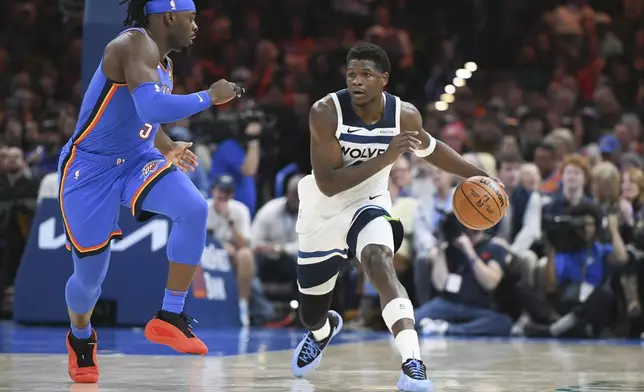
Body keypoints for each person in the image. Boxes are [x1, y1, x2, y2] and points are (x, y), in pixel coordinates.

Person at [292, 43, 498, 392]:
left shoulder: (404, 115)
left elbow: (431, 149)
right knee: (310, 313)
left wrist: (479, 176)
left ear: (384, 80)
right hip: (321, 210)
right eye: (352, 74)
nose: (357, 81)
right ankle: (324, 329)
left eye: (366, 75)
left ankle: (413, 363)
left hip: (369, 202)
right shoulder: (325, 112)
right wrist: (387, 157)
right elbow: (328, 184)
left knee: (380, 261)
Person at [60, 0, 243, 383]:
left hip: (137, 158)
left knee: (193, 207)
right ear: (169, 17)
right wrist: (210, 96)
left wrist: (165, 145)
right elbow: (151, 105)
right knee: (89, 281)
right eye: (191, 18)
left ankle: (169, 315)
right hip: (90, 169)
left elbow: (139, 116)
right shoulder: (131, 44)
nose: (196, 26)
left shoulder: (165, 62)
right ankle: (80, 334)